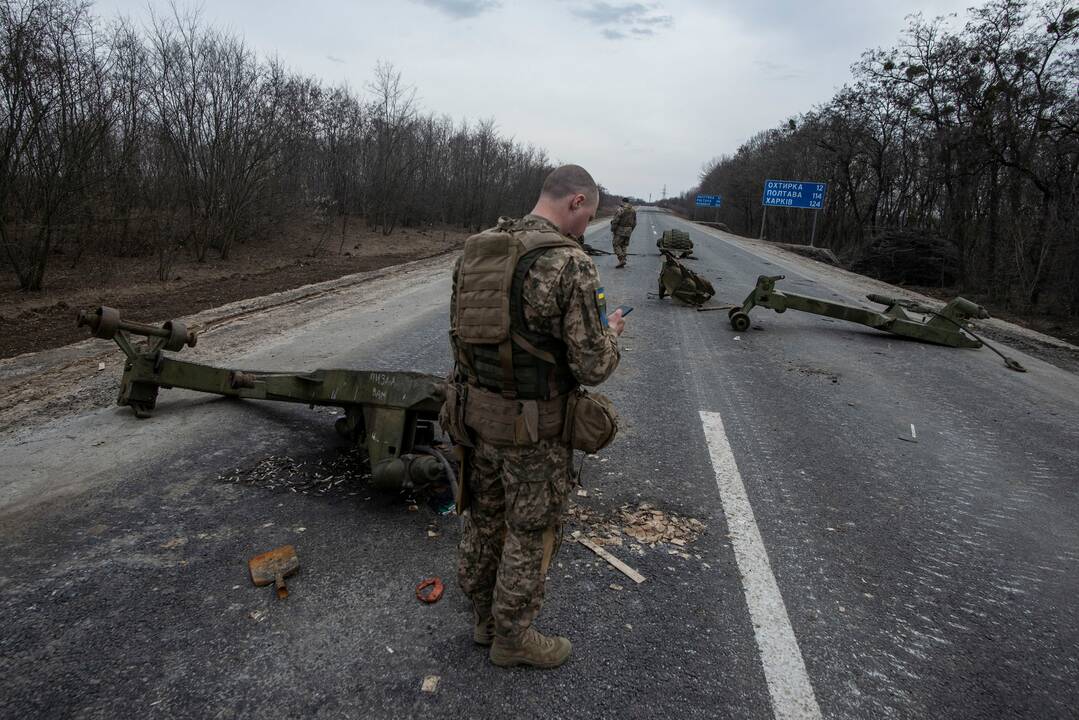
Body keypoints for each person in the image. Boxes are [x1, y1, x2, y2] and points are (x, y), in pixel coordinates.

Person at [443, 164, 626, 668]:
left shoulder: (477, 250)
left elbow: (459, 338)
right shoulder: (569, 264)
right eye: (587, 214)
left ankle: (483, 619)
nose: (585, 226)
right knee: (530, 530)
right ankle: (513, 639)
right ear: (575, 203)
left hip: (476, 418)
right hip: (534, 431)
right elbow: (593, 365)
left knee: (483, 519)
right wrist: (611, 335)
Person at [609, 197, 636, 268]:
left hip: (620, 230)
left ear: (623, 202)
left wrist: (613, 229)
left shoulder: (620, 210)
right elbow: (635, 222)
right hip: (629, 230)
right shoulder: (633, 210)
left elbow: (615, 221)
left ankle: (621, 259)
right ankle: (623, 260)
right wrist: (630, 229)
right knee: (624, 245)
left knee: (616, 244)